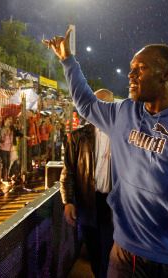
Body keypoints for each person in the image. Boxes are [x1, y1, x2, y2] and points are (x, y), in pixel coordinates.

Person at [43, 29, 168, 277]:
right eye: (131, 68)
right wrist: (68, 60)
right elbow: (86, 103)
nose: (130, 74)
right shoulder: (123, 113)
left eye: (140, 68)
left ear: (167, 74)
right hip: (123, 256)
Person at [60, 89, 115, 278]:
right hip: (87, 204)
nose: (100, 108)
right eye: (96, 103)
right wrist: (68, 201)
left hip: (114, 206)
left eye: (105, 104)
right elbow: (68, 172)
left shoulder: (123, 136)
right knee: (94, 251)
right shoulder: (78, 137)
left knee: (110, 253)